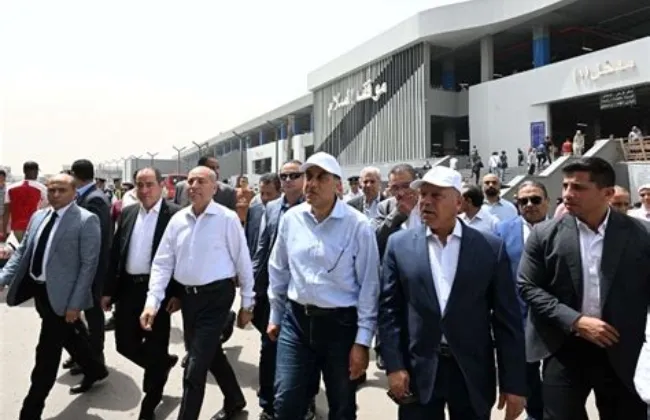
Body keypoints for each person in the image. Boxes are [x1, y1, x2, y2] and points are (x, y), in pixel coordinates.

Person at [378, 166, 526, 420]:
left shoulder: (490, 248)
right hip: (418, 372)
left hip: (471, 373)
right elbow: (389, 312)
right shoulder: (399, 245)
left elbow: (507, 319)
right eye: (423, 194)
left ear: (458, 203)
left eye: (436, 195)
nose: (425, 202)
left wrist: (513, 383)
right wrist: (394, 365)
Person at [518, 157, 650, 419]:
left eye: (578, 187)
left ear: (607, 193)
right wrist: (576, 321)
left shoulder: (641, 235)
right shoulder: (544, 234)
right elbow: (528, 286)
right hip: (563, 346)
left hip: (622, 347)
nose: (567, 194)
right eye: (565, 185)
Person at [268, 152, 380, 420]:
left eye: (321, 177)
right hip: (296, 322)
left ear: (338, 185)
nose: (312, 184)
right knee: (286, 402)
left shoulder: (358, 225)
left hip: (340, 327)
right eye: (309, 176)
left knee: (341, 406)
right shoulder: (292, 219)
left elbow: (369, 286)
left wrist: (362, 341)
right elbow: (278, 268)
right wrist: (275, 314)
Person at [141, 165, 255, 420]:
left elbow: (243, 261)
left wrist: (247, 304)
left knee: (194, 367)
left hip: (217, 297)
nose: (193, 186)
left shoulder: (227, 219)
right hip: (189, 299)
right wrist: (152, 302)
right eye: (190, 181)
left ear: (214, 188)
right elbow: (163, 263)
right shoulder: (178, 220)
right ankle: (235, 399)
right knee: (210, 353)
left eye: (200, 181)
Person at [0, 173, 108, 420]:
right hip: (41, 292)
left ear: (74, 193)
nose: (56, 194)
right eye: (51, 190)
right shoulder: (39, 217)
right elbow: (23, 251)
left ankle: (30, 411)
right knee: (69, 335)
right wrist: (3, 277)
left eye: (62, 190)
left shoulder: (86, 220)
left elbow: (88, 266)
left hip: (65, 298)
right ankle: (95, 369)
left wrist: (75, 304)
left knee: (46, 354)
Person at [102, 167, 181, 420]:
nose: (144, 190)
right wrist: (108, 291)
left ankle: (151, 403)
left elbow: (183, 257)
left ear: (162, 185)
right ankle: (161, 366)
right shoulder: (128, 213)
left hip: (159, 292)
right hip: (128, 289)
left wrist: (177, 293)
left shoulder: (176, 215)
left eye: (150, 184)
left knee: (156, 346)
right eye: (140, 185)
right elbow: (116, 252)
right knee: (124, 344)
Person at [249, 161, 317, 419]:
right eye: (284, 176)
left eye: (294, 175)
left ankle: (307, 401)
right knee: (269, 347)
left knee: (307, 351)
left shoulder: (314, 206)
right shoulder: (271, 207)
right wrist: (252, 285)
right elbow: (262, 247)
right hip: (273, 290)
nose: (288, 180)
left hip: (303, 292)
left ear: (304, 178)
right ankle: (267, 403)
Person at [495, 180, 551, 420]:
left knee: (556, 376)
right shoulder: (502, 231)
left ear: (547, 202)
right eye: (523, 201)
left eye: (535, 199)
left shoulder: (565, 228)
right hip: (517, 316)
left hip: (554, 318)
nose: (529, 205)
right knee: (527, 373)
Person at [62, 159, 113, 384]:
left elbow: (96, 241)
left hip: (91, 269)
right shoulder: (85, 196)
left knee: (93, 315)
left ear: (75, 175)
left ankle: (95, 359)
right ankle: (82, 354)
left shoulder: (95, 200)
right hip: (82, 267)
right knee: (78, 312)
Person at [3, 161, 47, 242]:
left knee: (22, 246)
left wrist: (4, 230)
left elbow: (6, 211)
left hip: (17, 227)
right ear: (37, 172)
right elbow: (46, 208)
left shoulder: (10, 188)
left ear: (24, 171)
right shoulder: (42, 188)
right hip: (35, 225)